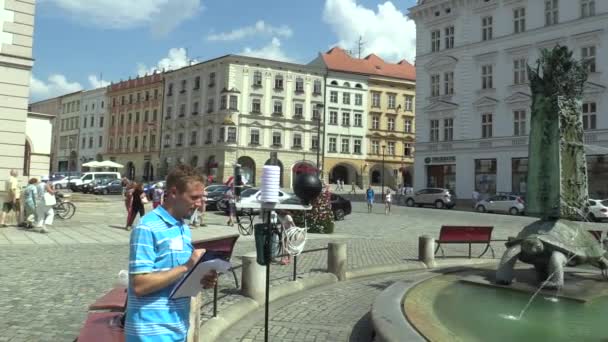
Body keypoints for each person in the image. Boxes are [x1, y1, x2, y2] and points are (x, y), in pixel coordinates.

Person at [125, 164, 218, 341]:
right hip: (150, 332)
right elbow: (139, 285)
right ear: (174, 193)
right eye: (194, 197)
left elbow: (176, 276)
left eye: (201, 197)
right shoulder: (147, 227)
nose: (199, 203)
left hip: (177, 327)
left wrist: (202, 277)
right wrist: (187, 266)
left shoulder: (182, 227)